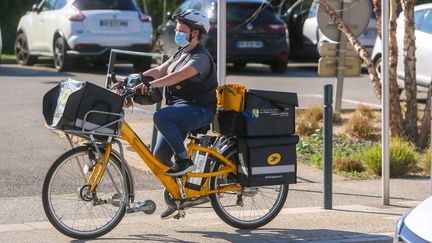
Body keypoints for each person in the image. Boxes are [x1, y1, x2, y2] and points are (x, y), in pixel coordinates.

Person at [137, 9, 217, 219]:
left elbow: (177, 77)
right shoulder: (181, 53)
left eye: (183, 29)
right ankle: (180, 196)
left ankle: (184, 159)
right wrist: (134, 79)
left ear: (196, 33)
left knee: (161, 116)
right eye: (177, 28)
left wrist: (151, 85)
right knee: (160, 156)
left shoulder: (201, 57)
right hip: (181, 110)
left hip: (199, 110)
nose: (178, 32)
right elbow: (161, 70)